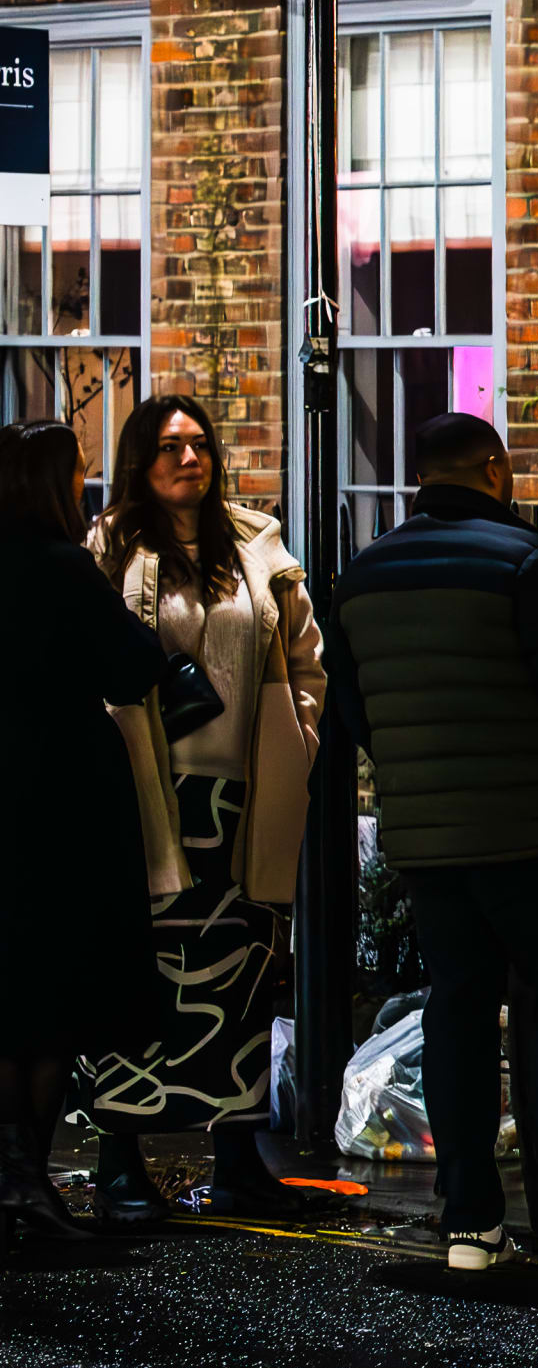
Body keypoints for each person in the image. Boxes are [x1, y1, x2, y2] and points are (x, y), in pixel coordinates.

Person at [319, 412, 538, 1274]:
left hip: (427, 838)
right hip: (533, 833)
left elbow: (355, 712)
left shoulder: (363, 578)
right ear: (495, 468)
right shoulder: (526, 562)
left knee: (457, 1012)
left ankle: (469, 1222)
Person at [77, 396, 329, 1222]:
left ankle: (235, 1155)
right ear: (139, 460)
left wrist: (302, 737)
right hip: (150, 792)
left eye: (197, 445)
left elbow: (304, 658)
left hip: (244, 796)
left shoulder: (256, 542)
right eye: (167, 447)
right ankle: (121, 1151)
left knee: (245, 971)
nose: (188, 459)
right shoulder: (112, 543)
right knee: (140, 970)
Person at [0, 421, 172, 1249]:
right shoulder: (63, 567)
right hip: (55, 806)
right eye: (75, 476)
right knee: (49, 1006)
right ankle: (25, 1185)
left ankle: (15, 1184)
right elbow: (130, 666)